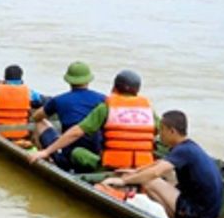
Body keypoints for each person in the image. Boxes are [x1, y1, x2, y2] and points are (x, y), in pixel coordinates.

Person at [101, 110, 223, 218]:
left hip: (197, 216)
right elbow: (158, 164)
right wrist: (136, 172)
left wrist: (123, 181)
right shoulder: (189, 147)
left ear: (172, 131)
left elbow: (155, 172)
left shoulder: (183, 150)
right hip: (205, 215)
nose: (159, 135)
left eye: (162, 130)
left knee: (149, 181)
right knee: (167, 174)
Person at [28, 70, 158, 170]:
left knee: (77, 152)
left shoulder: (106, 107)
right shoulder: (148, 110)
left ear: (114, 88)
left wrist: (46, 152)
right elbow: (161, 134)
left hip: (111, 166)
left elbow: (76, 132)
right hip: (143, 167)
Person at [31, 61, 106, 171]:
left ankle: (44, 156)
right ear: (88, 80)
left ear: (68, 81)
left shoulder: (59, 100)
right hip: (97, 155)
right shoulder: (103, 99)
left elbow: (36, 117)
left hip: (68, 158)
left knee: (40, 123)